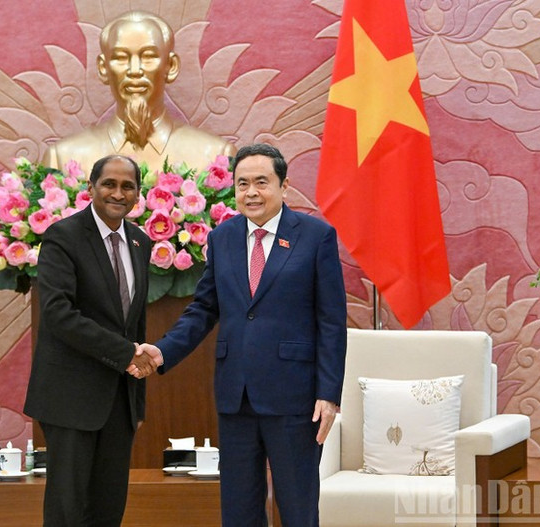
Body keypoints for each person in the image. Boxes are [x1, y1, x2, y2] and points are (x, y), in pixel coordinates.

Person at [139, 144, 347, 526]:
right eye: (242, 184)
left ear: (284, 186)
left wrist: (329, 394)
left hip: (294, 398)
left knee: (298, 510)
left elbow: (331, 321)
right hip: (236, 396)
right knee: (239, 512)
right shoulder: (223, 237)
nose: (251, 192)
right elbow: (204, 308)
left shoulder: (315, 236)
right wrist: (164, 351)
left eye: (262, 182)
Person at [23, 154, 162, 526]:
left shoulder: (140, 242)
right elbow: (58, 314)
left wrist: (137, 404)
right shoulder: (63, 236)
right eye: (109, 184)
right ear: (91, 187)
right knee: (68, 511)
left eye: (127, 186)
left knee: (108, 509)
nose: (118, 193)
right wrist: (126, 352)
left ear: (138, 194)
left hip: (119, 401)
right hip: (71, 397)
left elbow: (136, 324)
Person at [42, 11, 235, 174]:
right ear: (103, 68)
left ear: (171, 66)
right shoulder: (62, 158)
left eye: (148, 56)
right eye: (120, 58)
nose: (134, 70)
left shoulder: (216, 157)